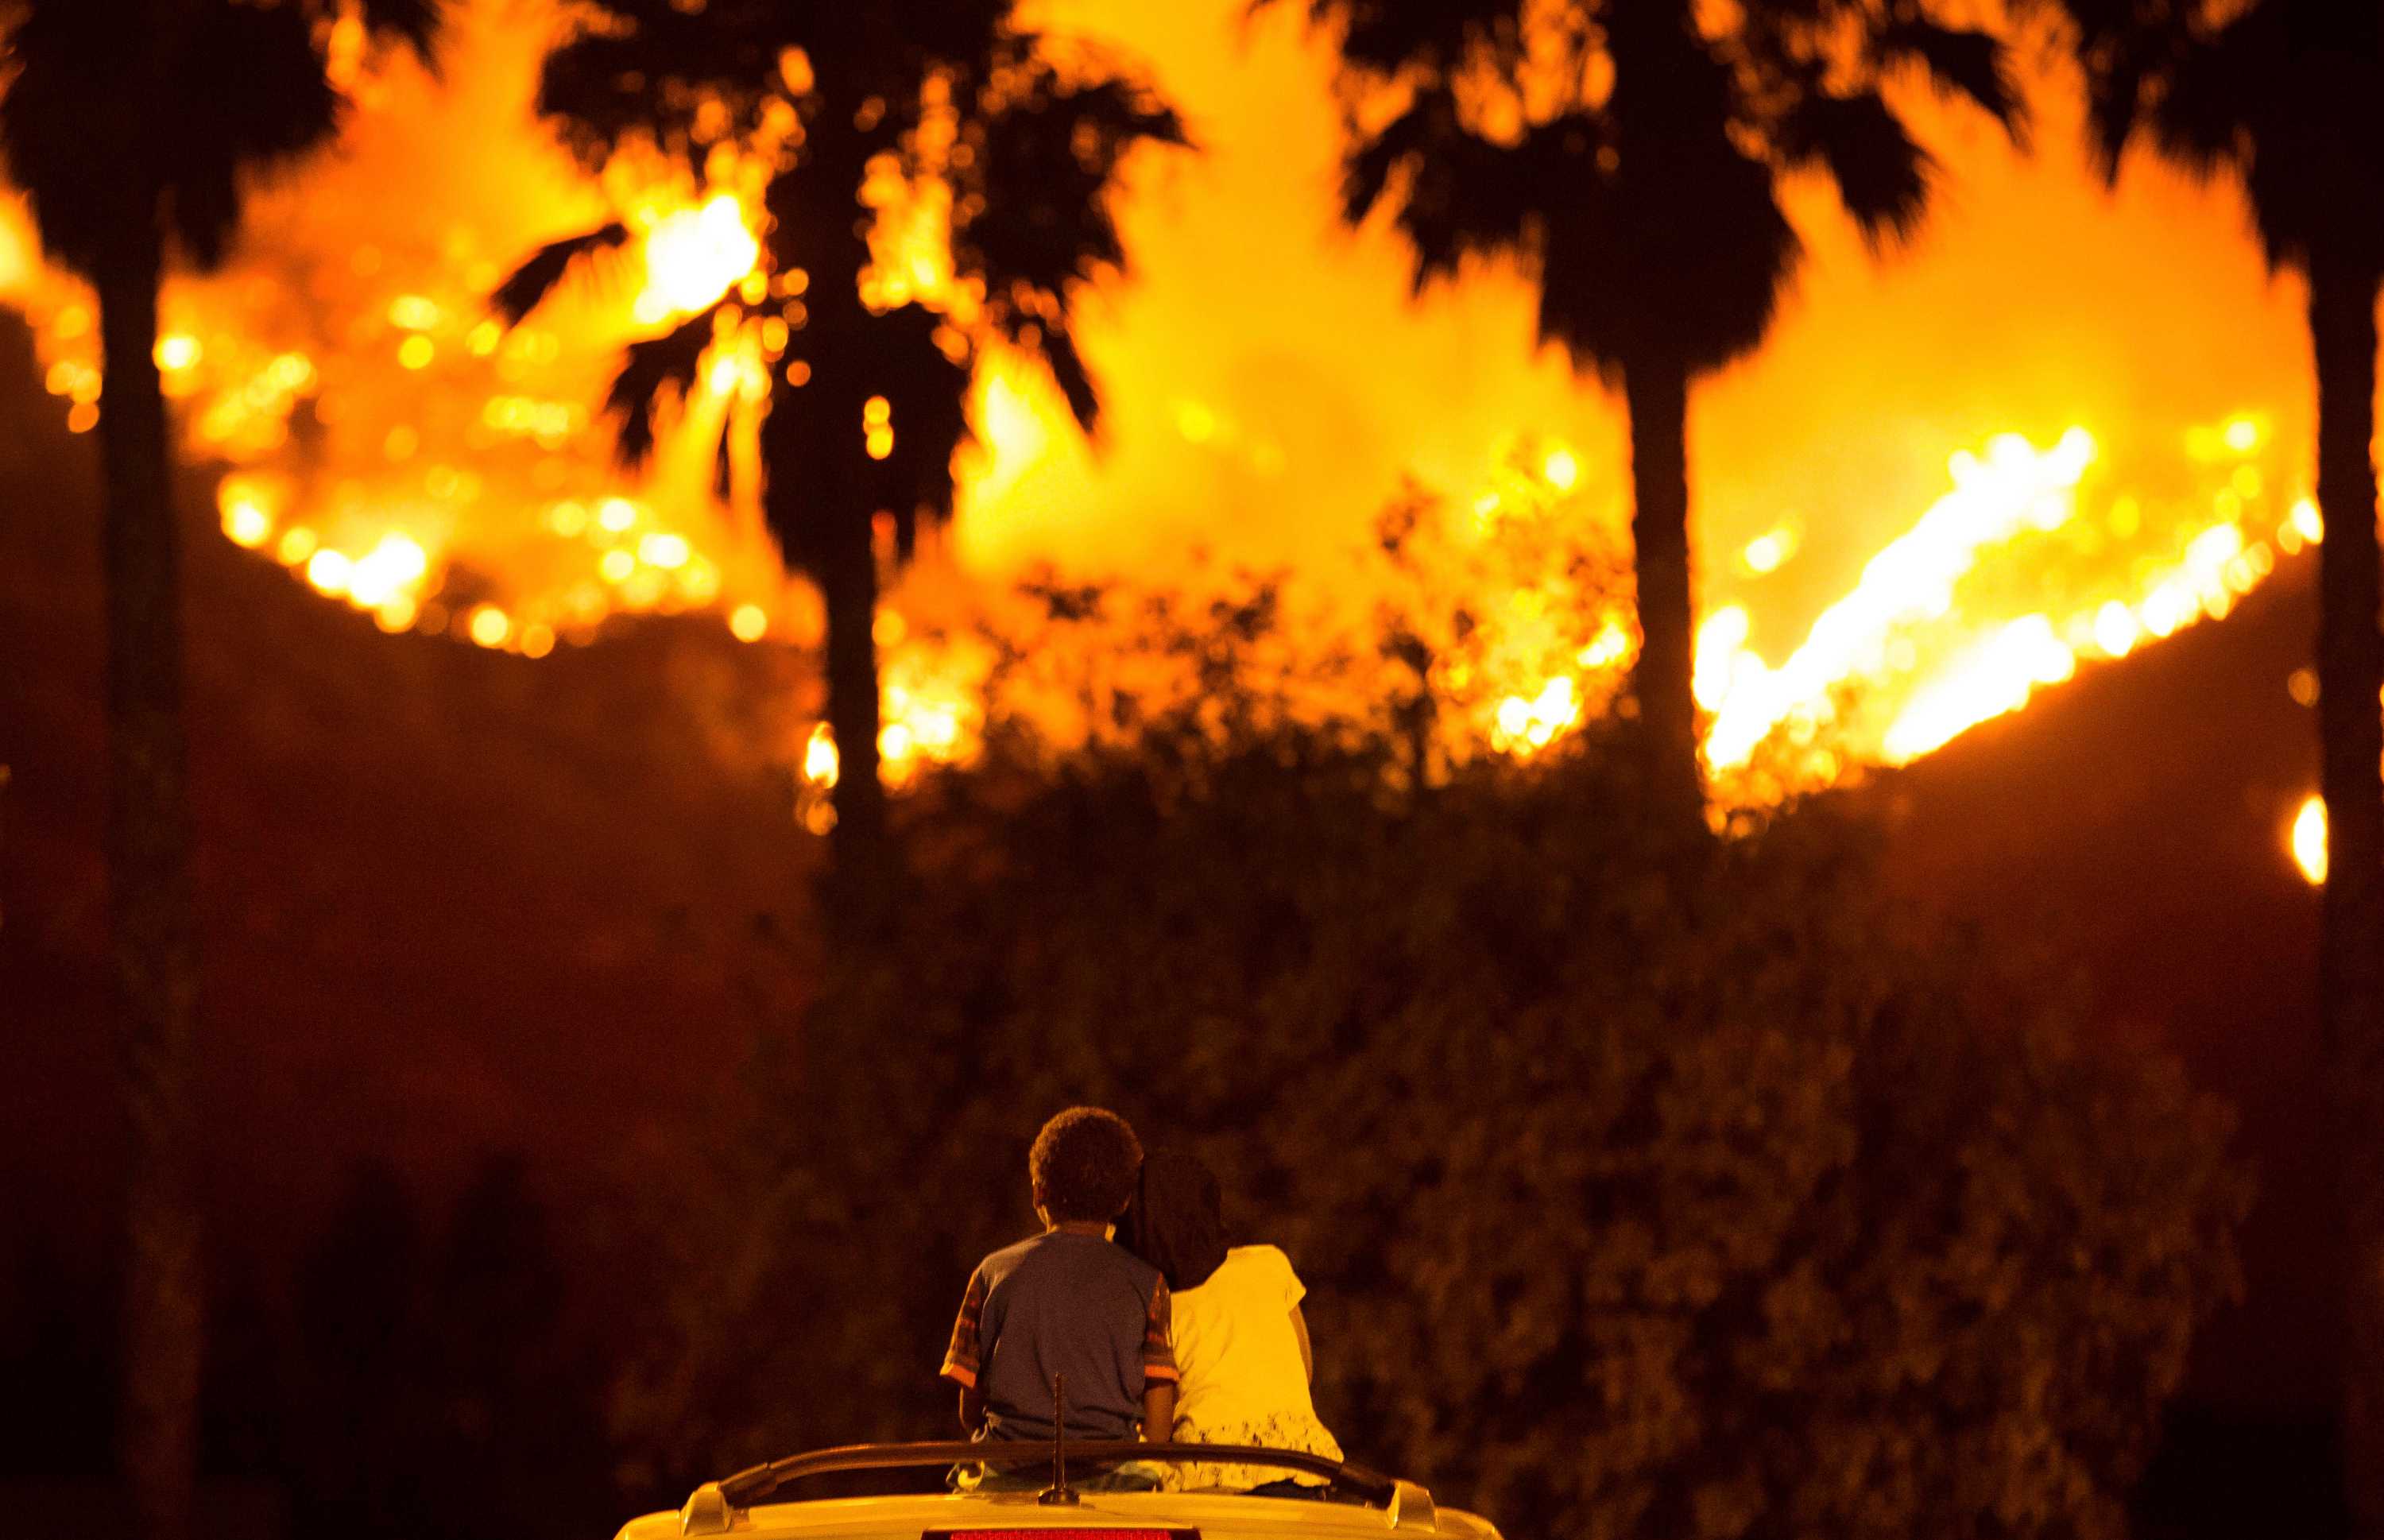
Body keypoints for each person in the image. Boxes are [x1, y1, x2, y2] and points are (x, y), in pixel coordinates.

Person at [939, 1107, 1178, 1488]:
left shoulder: (992, 1272)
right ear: (1122, 1202)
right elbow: (1159, 1426)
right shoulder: (1147, 1283)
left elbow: (970, 1412)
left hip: (1004, 1476)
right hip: (1113, 1481)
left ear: (1038, 1191)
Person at [1117, 1148, 1345, 1496]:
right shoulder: (1267, 1264)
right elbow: (1305, 1370)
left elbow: (1158, 1425)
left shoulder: (1156, 1300)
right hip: (1302, 1465)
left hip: (1210, 1476)